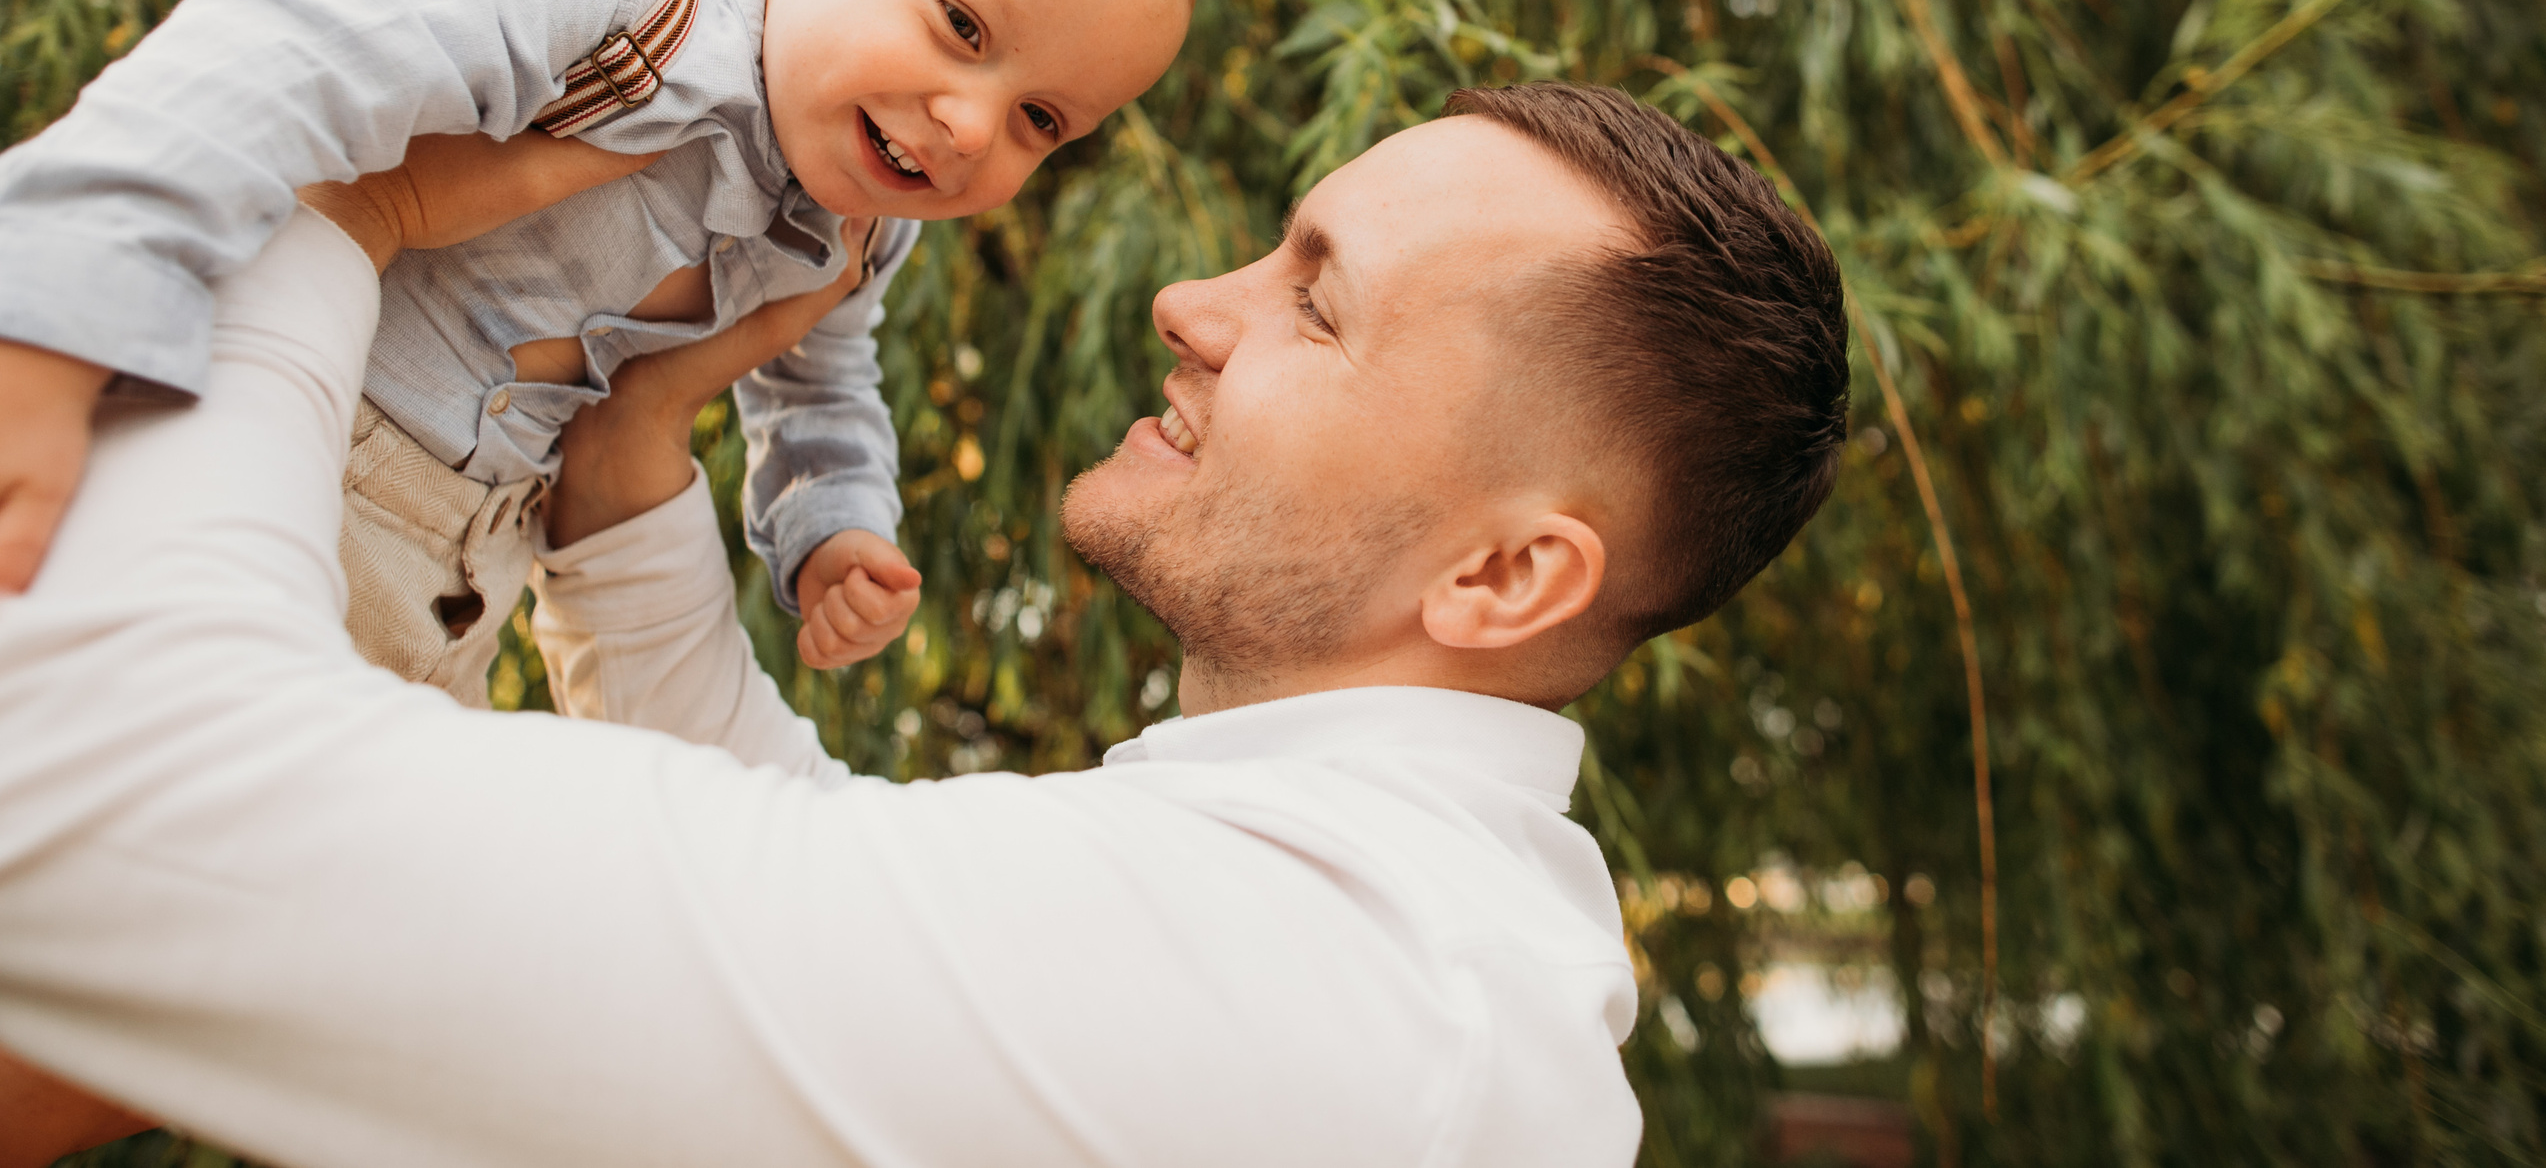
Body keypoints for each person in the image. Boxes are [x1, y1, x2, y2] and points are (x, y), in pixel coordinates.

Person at [0, 84, 1848, 1168]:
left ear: (1505, 579)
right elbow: (814, 891)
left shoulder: (1321, 993)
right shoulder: (1404, 939)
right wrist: (631, 456)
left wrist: (317, 207)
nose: (1190, 306)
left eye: (1319, 305)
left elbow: (107, 813)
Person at [0, 0, 1205, 699]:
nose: (973, 128)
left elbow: (823, 390)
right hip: (259, 442)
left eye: (1043, 121)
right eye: (961, 26)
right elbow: (276, 62)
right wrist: (58, 314)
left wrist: (834, 527)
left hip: (458, 591)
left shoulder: (855, 236)